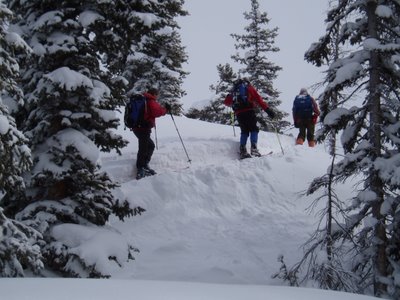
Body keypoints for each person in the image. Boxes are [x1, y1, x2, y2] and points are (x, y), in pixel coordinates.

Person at [224, 78, 275, 159]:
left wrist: (229, 96)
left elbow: (227, 103)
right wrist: (268, 110)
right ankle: (254, 149)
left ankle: (242, 150)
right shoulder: (249, 88)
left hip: (239, 113)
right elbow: (259, 99)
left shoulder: (234, 91)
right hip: (249, 111)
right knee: (254, 129)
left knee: (244, 131)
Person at [132, 87, 170, 179]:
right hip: (143, 128)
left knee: (149, 146)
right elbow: (157, 112)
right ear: (154, 94)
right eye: (157, 95)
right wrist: (166, 110)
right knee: (144, 148)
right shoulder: (150, 100)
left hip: (137, 127)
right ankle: (141, 169)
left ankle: (144, 165)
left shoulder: (144, 99)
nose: (157, 96)